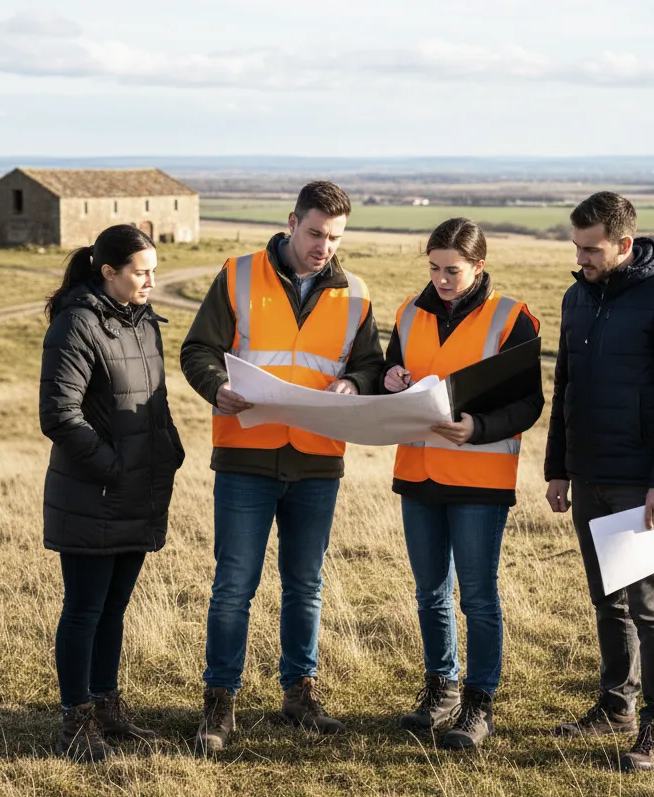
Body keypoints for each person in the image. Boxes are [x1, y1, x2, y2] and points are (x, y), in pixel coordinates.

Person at [179, 181, 384, 751]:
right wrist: (216, 388)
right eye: (315, 233)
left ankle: (300, 695)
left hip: (318, 460)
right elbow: (197, 350)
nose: (324, 247)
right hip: (245, 455)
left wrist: (354, 383)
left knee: (306, 585)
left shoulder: (357, 294)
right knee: (233, 586)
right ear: (292, 222)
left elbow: (371, 365)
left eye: (335, 237)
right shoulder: (238, 274)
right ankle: (220, 703)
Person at [544, 192, 654, 772]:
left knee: (650, 606)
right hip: (588, 474)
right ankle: (616, 706)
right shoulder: (577, 297)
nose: (581, 258)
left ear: (624, 244)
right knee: (606, 600)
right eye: (576, 246)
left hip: (642, 482)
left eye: (591, 249)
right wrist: (558, 467)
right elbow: (565, 387)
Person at [382, 218, 543, 750]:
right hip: (418, 473)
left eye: (452, 270)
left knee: (477, 596)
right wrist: (391, 379)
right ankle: (441, 690)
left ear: (479, 265)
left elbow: (529, 403)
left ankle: (479, 705)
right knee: (429, 593)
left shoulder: (512, 318)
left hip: (479, 478)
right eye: (434, 268)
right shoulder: (409, 312)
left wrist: (479, 428)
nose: (441, 279)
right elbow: (392, 373)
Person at [39, 223, 185, 762]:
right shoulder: (76, 324)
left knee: (114, 609)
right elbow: (59, 414)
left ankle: (106, 708)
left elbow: (155, 400)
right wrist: (114, 467)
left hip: (138, 490)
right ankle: (75, 723)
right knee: (84, 610)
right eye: (140, 272)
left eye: (154, 271)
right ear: (108, 272)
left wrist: (169, 450)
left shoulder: (143, 322)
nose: (151, 281)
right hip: (93, 493)